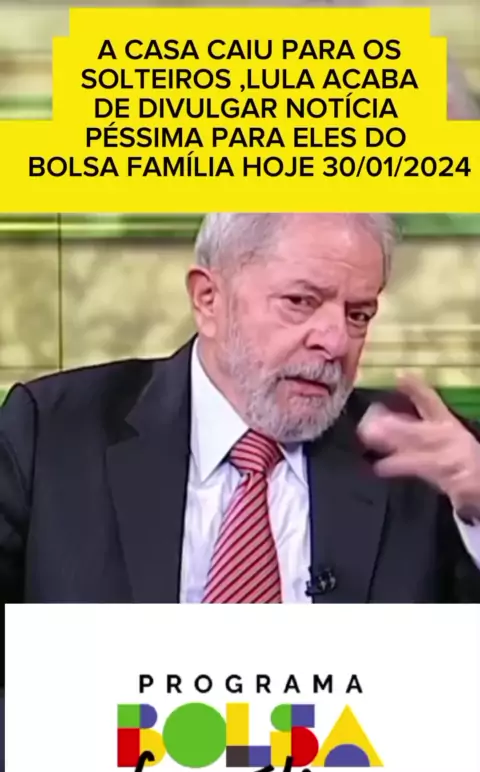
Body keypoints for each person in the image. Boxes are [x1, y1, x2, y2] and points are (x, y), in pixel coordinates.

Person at [0, 212, 480, 606]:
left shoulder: (432, 465)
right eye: (300, 301)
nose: (336, 342)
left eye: (358, 315)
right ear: (208, 300)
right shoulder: (48, 434)